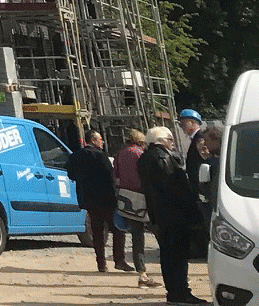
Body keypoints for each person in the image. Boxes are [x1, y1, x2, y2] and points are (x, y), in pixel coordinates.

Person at [139, 124, 207, 304]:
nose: (172, 143)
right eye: (170, 139)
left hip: (160, 216)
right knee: (177, 257)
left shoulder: (145, 158)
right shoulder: (162, 158)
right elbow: (175, 188)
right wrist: (192, 210)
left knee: (168, 256)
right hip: (175, 216)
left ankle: (175, 292)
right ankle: (180, 293)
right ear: (160, 141)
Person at [67, 130, 121, 273]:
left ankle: (101, 264)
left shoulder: (75, 156)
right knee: (116, 229)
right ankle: (119, 259)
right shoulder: (100, 156)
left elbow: (71, 174)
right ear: (93, 140)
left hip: (88, 199)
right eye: (100, 139)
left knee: (97, 233)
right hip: (105, 198)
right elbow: (110, 176)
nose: (102, 142)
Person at [113, 128, 151, 277]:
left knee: (136, 234)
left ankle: (139, 266)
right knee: (143, 234)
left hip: (125, 195)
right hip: (141, 195)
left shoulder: (120, 154)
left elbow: (115, 174)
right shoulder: (140, 154)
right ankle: (142, 268)